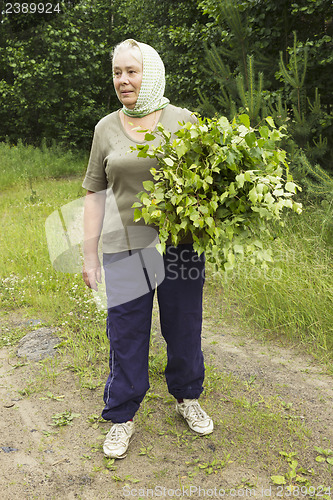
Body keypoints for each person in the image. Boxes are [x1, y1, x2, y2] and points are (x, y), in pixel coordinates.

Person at [82, 39, 213, 460]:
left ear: (151, 73)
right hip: (124, 249)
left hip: (180, 249)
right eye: (117, 72)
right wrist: (88, 256)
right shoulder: (105, 128)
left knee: (183, 325)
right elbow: (93, 195)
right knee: (126, 333)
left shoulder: (184, 120)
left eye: (131, 72)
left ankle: (187, 397)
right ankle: (122, 415)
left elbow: (209, 182)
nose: (123, 80)